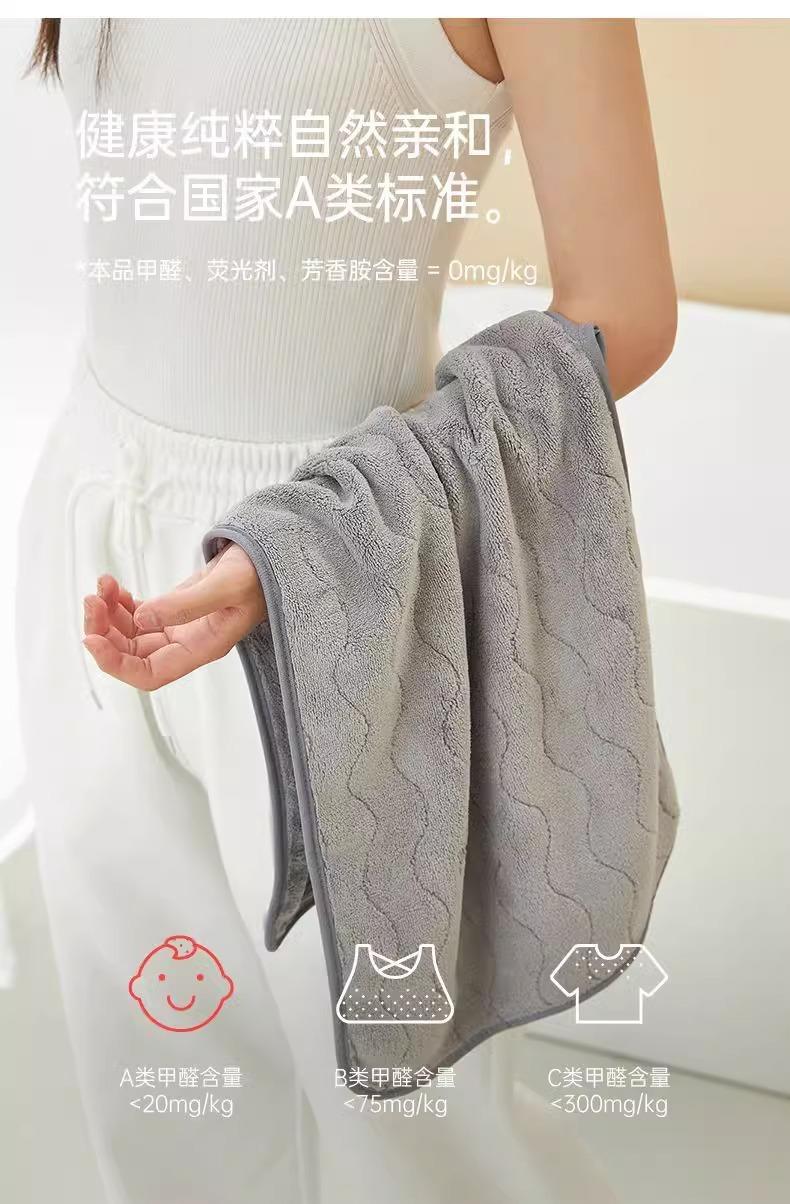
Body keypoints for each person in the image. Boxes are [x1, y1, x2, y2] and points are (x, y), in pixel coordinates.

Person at [15, 17, 676, 1204]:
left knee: (419, 1134)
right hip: (95, 524)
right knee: (165, 1100)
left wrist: (300, 543)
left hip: (343, 574)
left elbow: (621, 310)